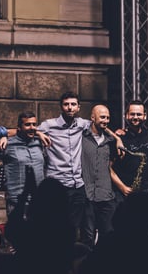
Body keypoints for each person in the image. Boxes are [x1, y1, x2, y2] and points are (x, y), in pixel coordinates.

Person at [38, 91, 124, 239]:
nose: (69, 107)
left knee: (74, 228)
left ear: (78, 107)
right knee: (54, 225)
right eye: (66, 104)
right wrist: (36, 133)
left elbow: (101, 124)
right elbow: (25, 129)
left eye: (73, 104)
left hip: (77, 185)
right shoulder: (49, 125)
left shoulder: (82, 124)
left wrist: (117, 138)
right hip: (57, 184)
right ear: (61, 107)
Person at [0, 111, 45, 215]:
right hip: (16, 200)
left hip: (38, 199)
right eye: (27, 124)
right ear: (19, 127)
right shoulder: (7, 144)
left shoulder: (39, 143)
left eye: (34, 124)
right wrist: (4, 136)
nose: (32, 127)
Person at [80, 104, 118, 247]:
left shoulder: (111, 141)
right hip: (87, 194)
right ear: (92, 117)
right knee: (87, 236)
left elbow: (112, 165)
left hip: (106, 195)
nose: (106, 120)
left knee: (107, 236)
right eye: (102, 117)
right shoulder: (81, 137)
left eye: (107, 118)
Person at [111, 99, 148, 202]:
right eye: (132, 114)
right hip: (124, 193)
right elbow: (108, 167)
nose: (135, 117)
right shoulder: (119, 137)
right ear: (126, 115)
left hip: (145, 192)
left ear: (145, 116)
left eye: (139, 114)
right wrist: (122, 187)